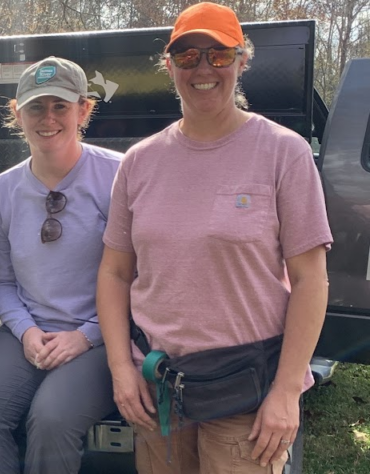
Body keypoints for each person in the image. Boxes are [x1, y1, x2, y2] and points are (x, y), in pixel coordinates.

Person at [96, 3, 331, 473]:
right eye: (187, 57)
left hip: (247, 387)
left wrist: (286, 392)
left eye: (219, 56)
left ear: (243, 60)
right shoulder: (139, 162)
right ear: (169, 67)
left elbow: (310, 279)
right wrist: (122, 369)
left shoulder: (284, 152)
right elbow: (115, 272)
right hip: (161, 387)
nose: (203, 68)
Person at [0, 57, 122, 473]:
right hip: (25, 332)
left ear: (83, 109)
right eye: (36, 107)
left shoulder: (118, 177)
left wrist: (86, 337)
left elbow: (137, 278)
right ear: (17, 113)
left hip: (101, 337)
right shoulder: (1, 191)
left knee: (51, 419)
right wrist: (26, 331)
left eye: (60, 106)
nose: (48, 118)